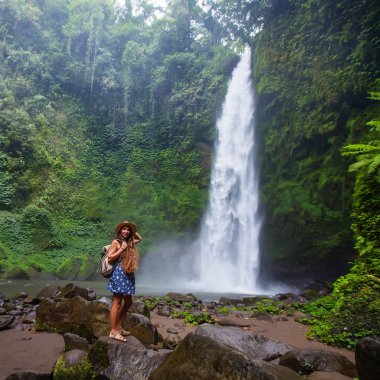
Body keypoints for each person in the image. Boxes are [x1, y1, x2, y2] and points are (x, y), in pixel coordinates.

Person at [107, 220, 142, 342]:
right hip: (119, 274)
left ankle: (119, 327)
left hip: (128, 274)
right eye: (124, 229)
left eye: (128, 229)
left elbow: (140, 238)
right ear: (119, 231)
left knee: (128, 302)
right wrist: (121, 249)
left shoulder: (129, 242)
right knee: (117, 302)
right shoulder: (116, 242)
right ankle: (113, 331)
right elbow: (110, 258)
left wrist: (131, 228)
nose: (126, 231)